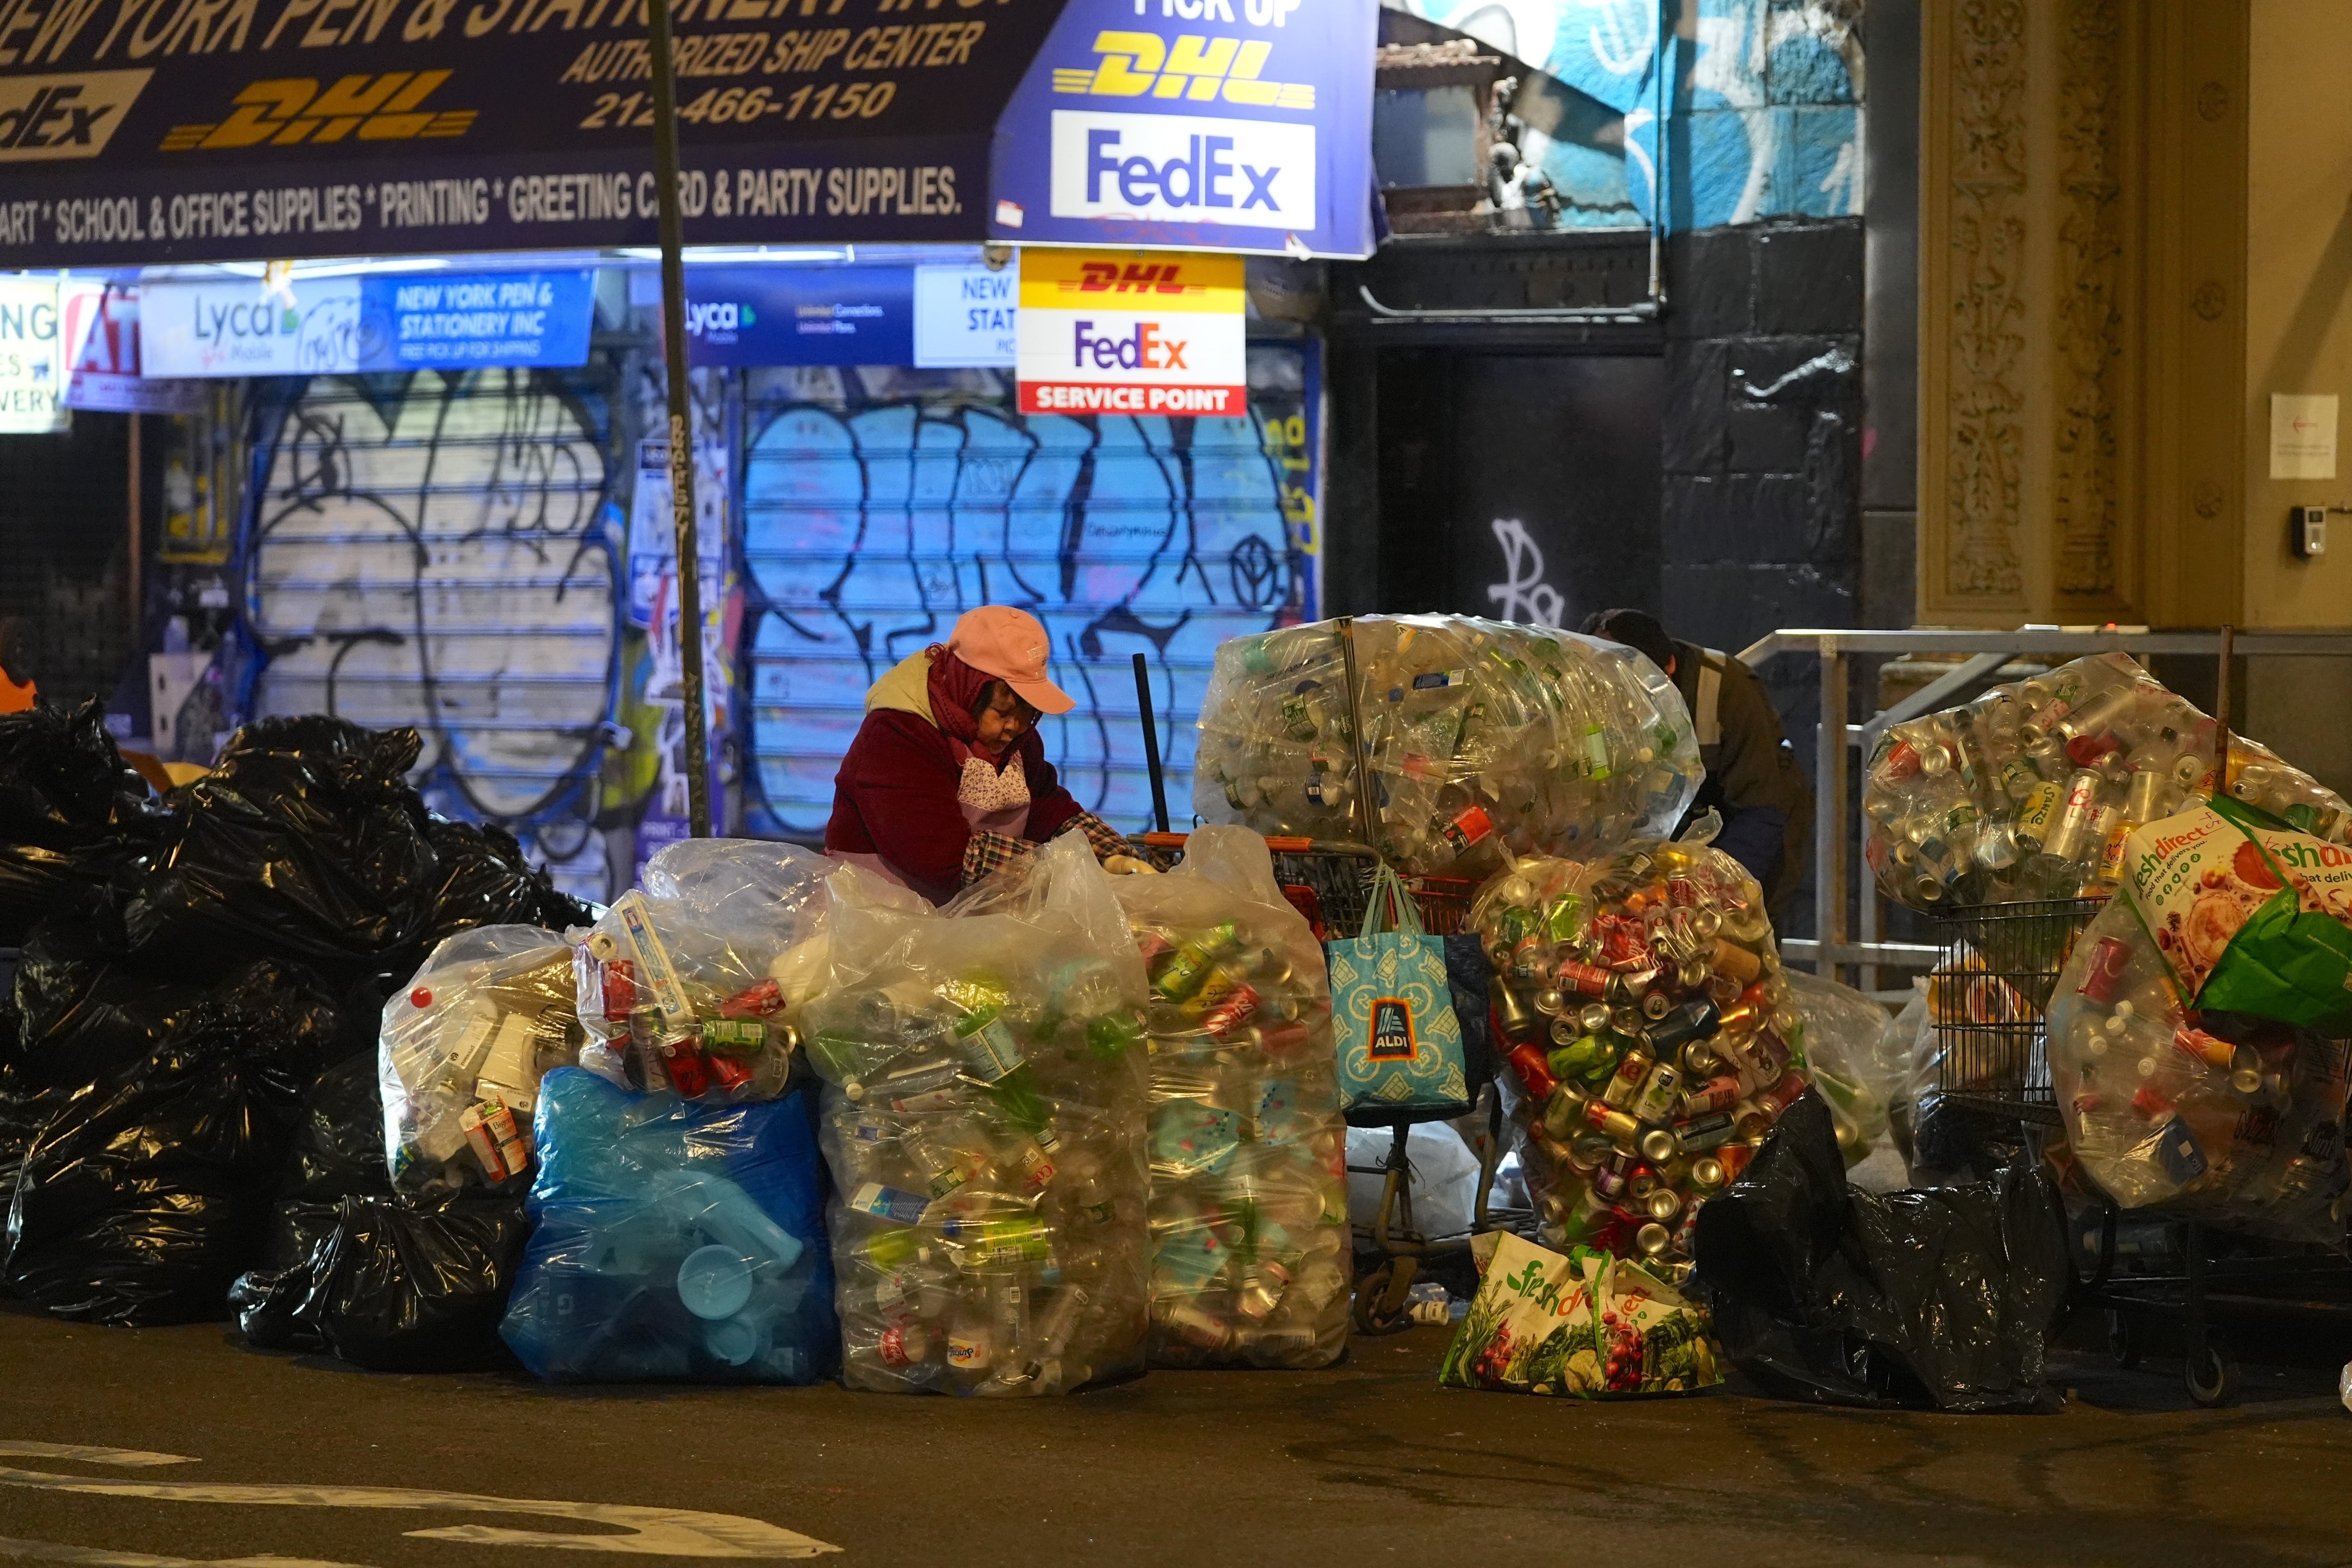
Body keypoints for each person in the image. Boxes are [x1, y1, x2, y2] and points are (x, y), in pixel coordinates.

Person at [825, 605, 1143, 904]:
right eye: (1003, 711)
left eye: (1027, 713)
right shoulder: (898, 735)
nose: (1016, 727)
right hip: (873, 922)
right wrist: (1066, 869)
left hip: (957, 923)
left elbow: (1049, 811)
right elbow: (943, 857)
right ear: (969, 689)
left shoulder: (1017, 740)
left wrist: (1113, 855)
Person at [1581, 608, 1812, 912]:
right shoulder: (1588, 695)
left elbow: (1761, 810)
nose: (1628, 705)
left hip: (1741, 819)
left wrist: (1714, 895)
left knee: (1736, 934)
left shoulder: (1725, 691)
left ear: (1670, 667)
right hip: (1660, 828)